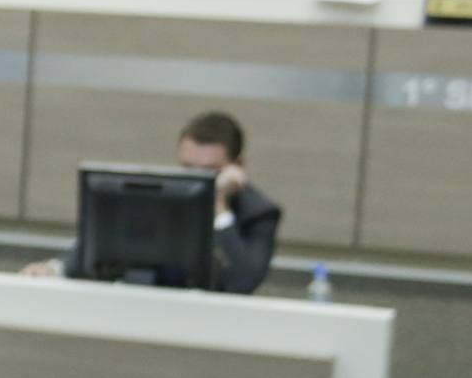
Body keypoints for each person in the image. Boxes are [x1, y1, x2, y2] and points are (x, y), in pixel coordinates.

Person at [20, 111, 282, 293]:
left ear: (237, 165)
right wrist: (56, 269)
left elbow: (243, 282)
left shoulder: (259, 212)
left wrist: (219, 208)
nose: (197, 180)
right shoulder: (167, 195)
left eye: (210, 171)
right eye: (188, 168)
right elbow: (107, 244)